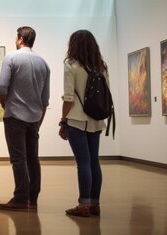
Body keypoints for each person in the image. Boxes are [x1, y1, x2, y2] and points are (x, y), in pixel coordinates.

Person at [0, 26, 50, 211]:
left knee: (18, 159)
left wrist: (5, 105)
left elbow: (1, 88)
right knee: (33, 158)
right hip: (34, 118)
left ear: (20, 38)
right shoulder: (43, 63)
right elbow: (45, 100)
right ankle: (32, 198)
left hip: (15, 115)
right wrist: (38, 120)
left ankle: (20, 198)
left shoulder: (12, 57)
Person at [58, 29, 109, 217]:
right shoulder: (101, 66)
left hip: (77, 120)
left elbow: (69, 97)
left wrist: (63, 120)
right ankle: (95, 204)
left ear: (74, 45)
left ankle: (83, 204)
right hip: (96, 119)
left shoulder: (70, 65)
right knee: (94, 161)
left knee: (83, 162)